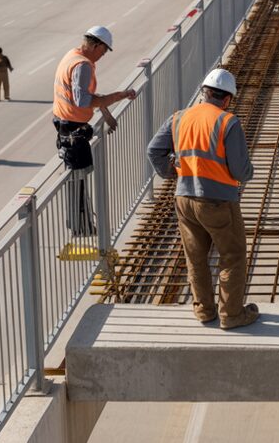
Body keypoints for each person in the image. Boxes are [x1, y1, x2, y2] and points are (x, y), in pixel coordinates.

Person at [147, 68, 258, 330]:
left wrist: (170, 171)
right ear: (227, 99)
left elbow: (154, 150)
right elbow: (240, 170)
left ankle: (204, 310)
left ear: (203, 93)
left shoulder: (179, 118)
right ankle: (231, 315)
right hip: (218, 201)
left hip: (184, 198)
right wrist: (248, 173)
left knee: (195, 256)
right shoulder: (228, 122)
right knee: (233, 255)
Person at [52, 26, 136, 234]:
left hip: (65, 125)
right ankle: (82, 228)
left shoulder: (72, 55)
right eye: (104, 51)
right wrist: (120, 95)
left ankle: (82, 224)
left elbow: (84, 94)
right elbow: (82, 100)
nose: (103, 55)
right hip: (72, 129)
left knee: (77, 179)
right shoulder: (83, 65)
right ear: (96, 45)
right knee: (78, 179)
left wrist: (105, 111)